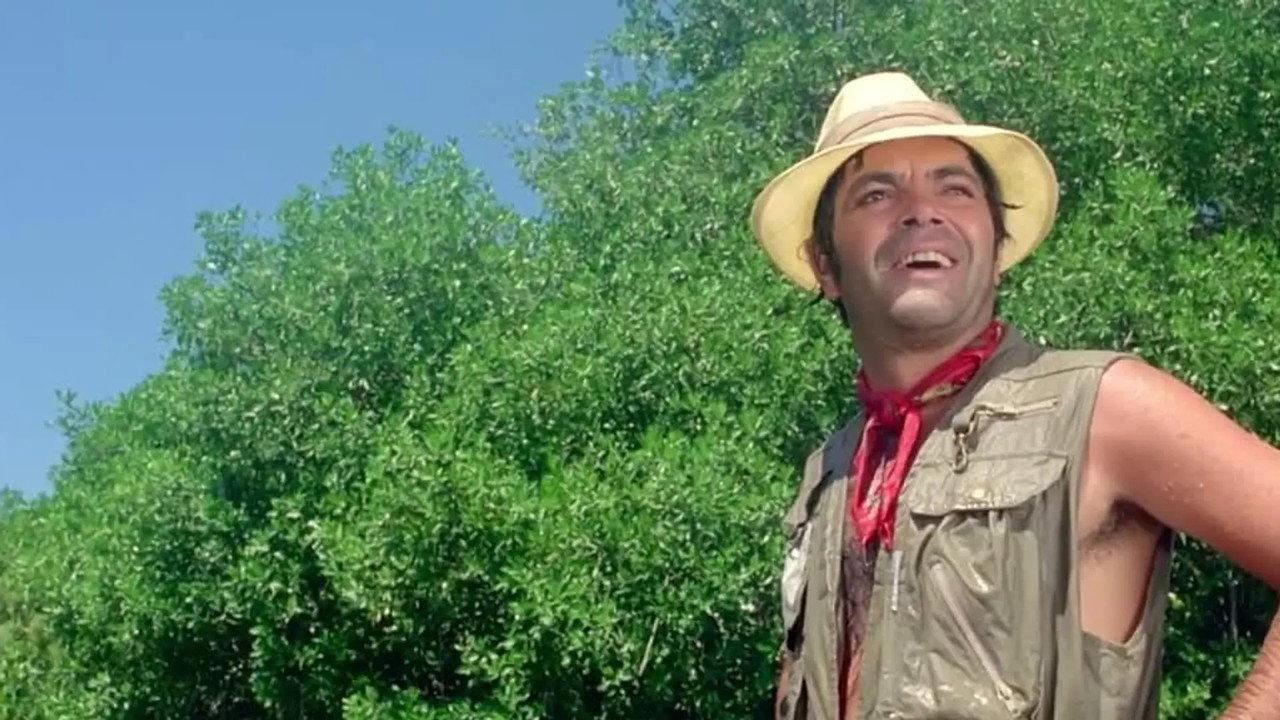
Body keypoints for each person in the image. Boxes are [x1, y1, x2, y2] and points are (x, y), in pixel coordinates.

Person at [750, 71, 1280, 719]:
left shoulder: (1104, 408)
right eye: (876, 194)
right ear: (825, 265)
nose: (921, 211)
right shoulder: (830, 473)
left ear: (997, 246)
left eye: (954, 187)